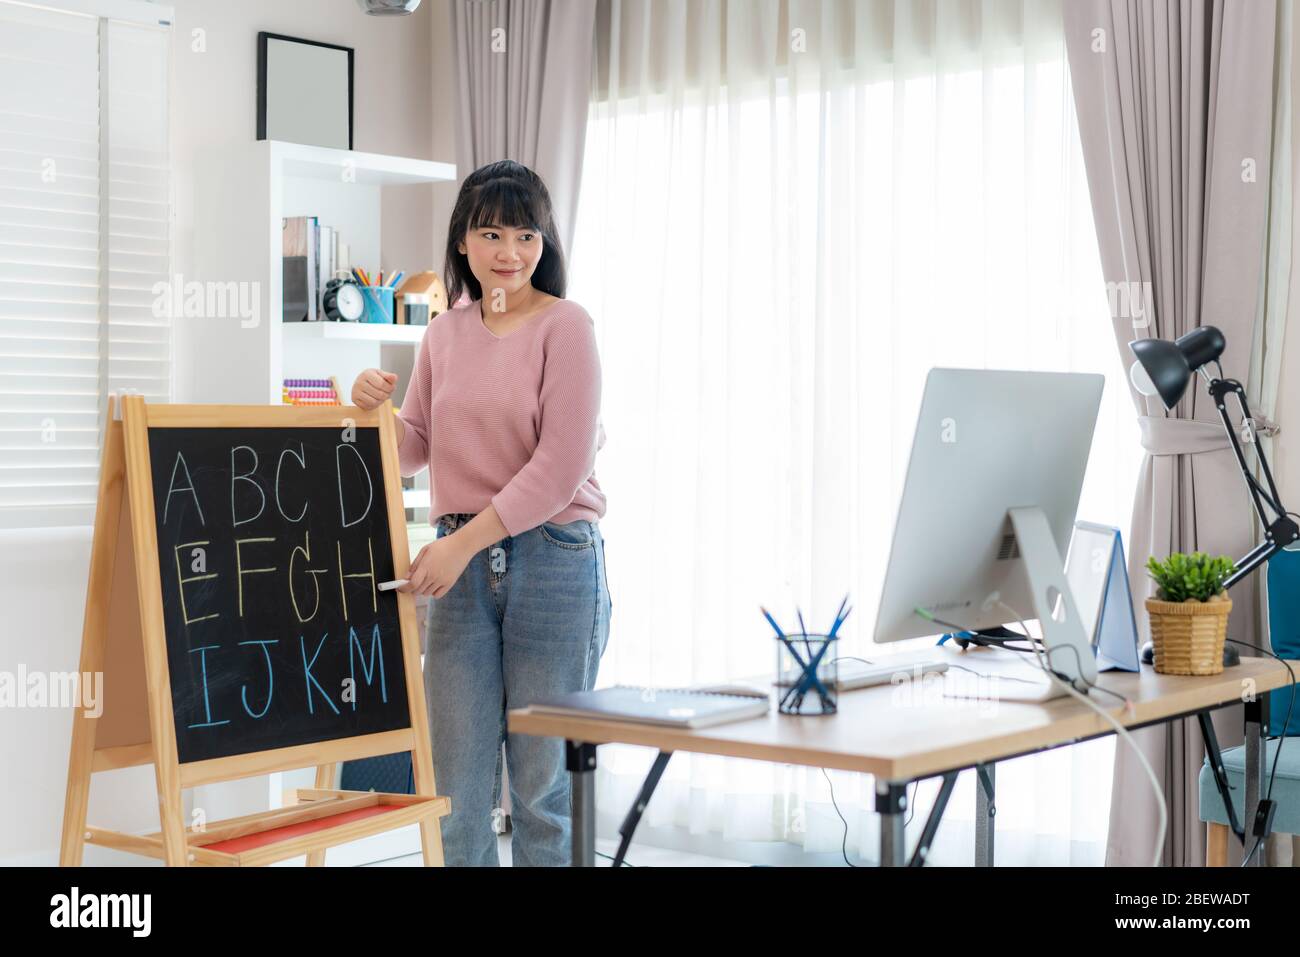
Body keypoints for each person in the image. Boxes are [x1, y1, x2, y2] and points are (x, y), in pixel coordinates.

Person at [351, 160, 611, 866]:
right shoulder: (443, 334)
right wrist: (371, 408)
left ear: (545, 243)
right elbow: (413, 449)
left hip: (553, 560)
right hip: (459, 567)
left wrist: (463, 546)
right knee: (456, 799)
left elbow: (561, 468)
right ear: (462, 241)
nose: (509, 253)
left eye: (526, 235)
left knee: (540, 794)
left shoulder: (567, 327)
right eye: (491, 232)